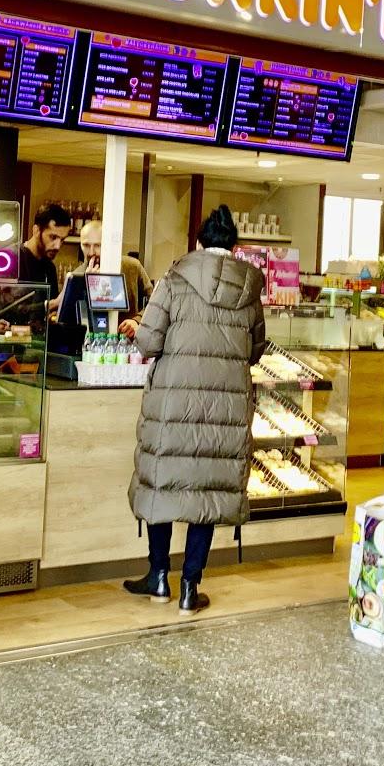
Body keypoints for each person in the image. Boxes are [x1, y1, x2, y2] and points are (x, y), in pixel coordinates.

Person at [123, 205, 266, 613]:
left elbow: (148, 343)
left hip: (174, 403)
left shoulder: (174, 279)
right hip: (225, 408)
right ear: (234, 247)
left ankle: (157, 577)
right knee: (206, 492)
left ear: (199, 242)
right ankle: (189, 586)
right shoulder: (249, 289)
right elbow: (255, 350)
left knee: (163, 484)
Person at [77, 221, 152, 311]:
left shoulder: (132, 267)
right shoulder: (77, 275)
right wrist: (88, 285)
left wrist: (137, 320)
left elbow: (154, 303)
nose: (91, 252)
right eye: (86, 245)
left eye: (98, 245)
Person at [18, 203, 71, 315]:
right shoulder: (12, 259)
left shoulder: (50, 267)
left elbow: (50, 314)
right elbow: (7, 310)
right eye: (53, 237)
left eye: (62, 240)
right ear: (36, 231)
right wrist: (52, 304)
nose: (58, 246)